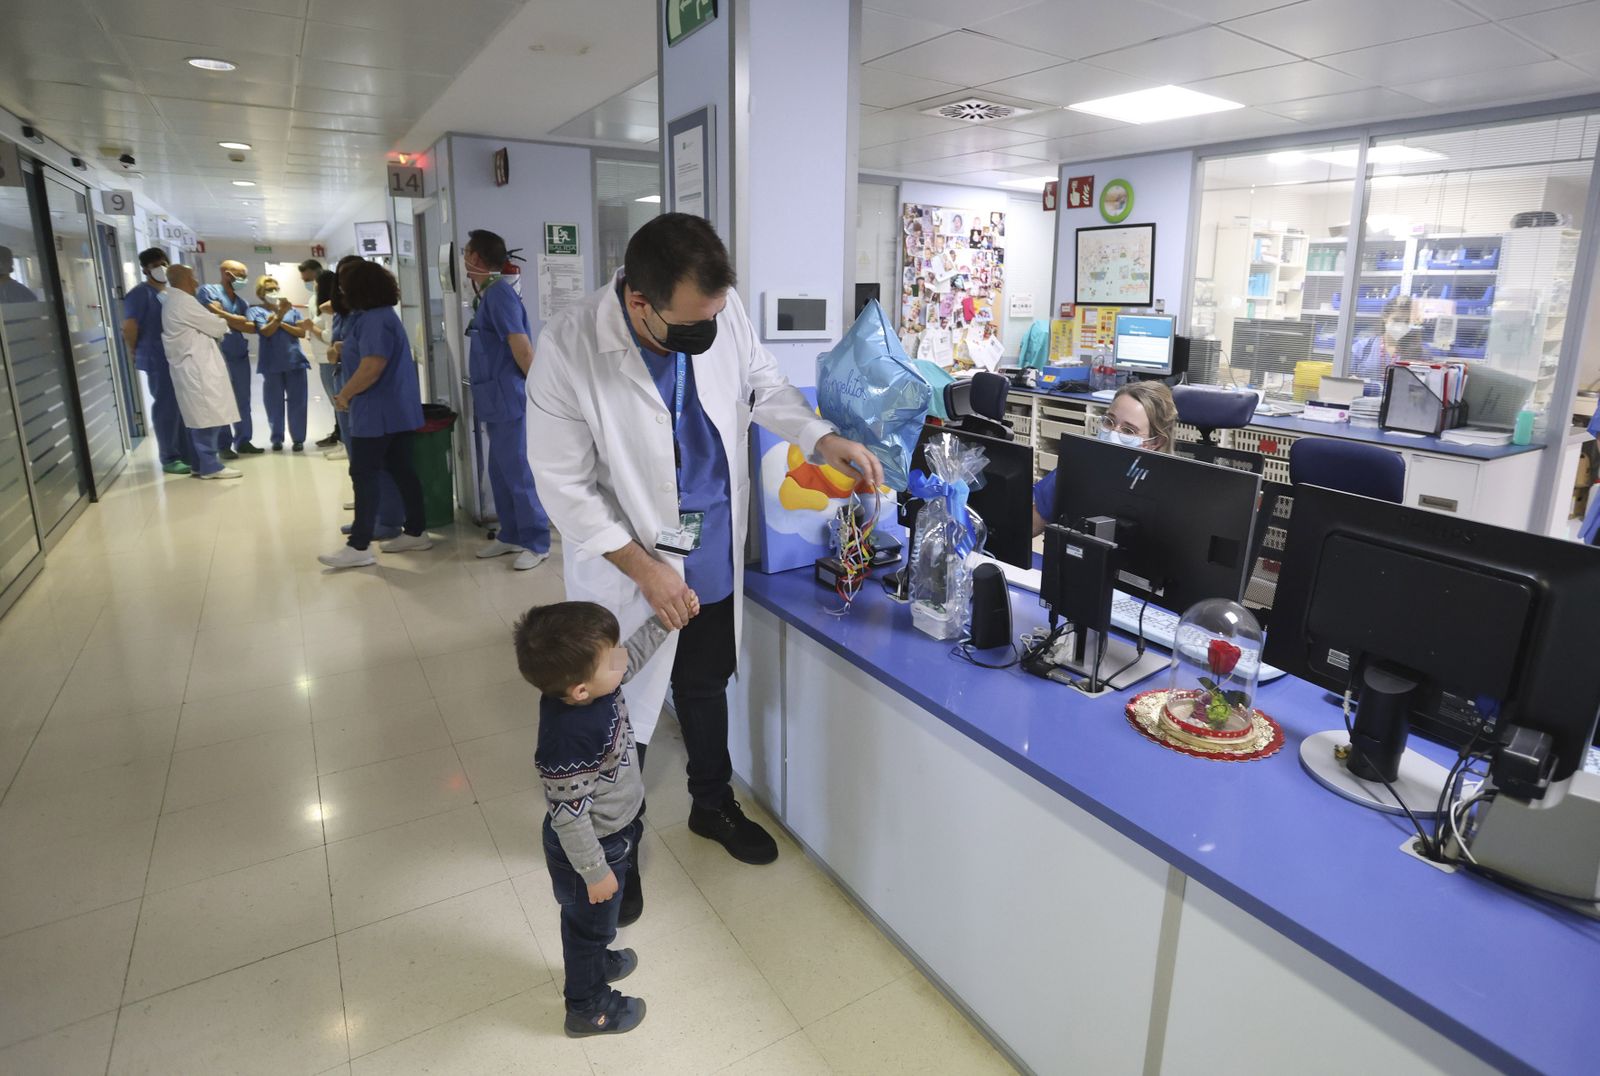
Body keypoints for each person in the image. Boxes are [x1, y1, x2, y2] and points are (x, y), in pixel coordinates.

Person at [527, 213, 883, 919]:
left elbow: (763, 384)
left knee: (705, 677)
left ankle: (711, 803)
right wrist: (644, 568)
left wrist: (820, 437)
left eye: (717, 314)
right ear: (638, 301)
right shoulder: (569, 347)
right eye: (692, 322)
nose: (709, 331)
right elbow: (562, 488)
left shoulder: (719, 306)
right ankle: (611, 845)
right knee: (614, 707)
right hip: (626, 555)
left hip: (712, 536)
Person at [515, 602, 689, 1037]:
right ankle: (586, 1006)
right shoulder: (569, 740)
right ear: (578, 691)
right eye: (610, 656)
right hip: (590, 849)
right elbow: (569, 819)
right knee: (585, 929)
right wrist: (594, 872)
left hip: (615, 831)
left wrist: (665, 622)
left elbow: (628, 659)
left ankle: (598, 957)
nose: (620, 659)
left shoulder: (595, 686)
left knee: (598, 924)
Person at [319, 260, 429, 569]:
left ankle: (359, 546)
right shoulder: (379, 317)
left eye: (345, 286)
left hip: (377, 412)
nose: (340, 291)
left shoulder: (374, 321)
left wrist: (345, 394)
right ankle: (417, 531)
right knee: (402, 470)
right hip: (395, 410)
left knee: (364, 474)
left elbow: (372, 367)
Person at [463, 229, 551, 571]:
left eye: (467, 254)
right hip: (494, 399)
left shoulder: (499, 294)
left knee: (519, 473)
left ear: (475, 258)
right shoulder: (489, 294)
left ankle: (536, 540)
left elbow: (523, 348)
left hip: (510, 400)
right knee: (499, 473)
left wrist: (540, 393)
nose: (465, 261)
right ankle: (511, 534)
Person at [1031, 381, 1177, 536]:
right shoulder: (1078, 468)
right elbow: (1030, 525)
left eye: (1128, 430)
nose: (1113, 433)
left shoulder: (1167, 493)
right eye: (1109, 421)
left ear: (1155, 442)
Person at [160, 265, 242, 480]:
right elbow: (216, 326)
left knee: (200, 417)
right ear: (185, 279)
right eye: (193, 277)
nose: (196, 282)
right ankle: (210, 466)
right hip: (197, 369)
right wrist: (221, 319)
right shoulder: (183, 302)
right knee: (206, 417)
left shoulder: (174, 301)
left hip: (193, 366)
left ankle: (200, 464)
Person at [122, 247, 193, 475]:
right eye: (154, 266)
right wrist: (134, 350)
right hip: (157, 357)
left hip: (176, 357)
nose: (159, 268)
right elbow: (129, 326)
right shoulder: (140, 294)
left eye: (162, 263)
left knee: (181, 406)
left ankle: (185, 452)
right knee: (166, 407)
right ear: (144, 269)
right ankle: (169, 457)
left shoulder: (170, 293)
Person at [195, 260, 262, 459]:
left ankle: (243, 440)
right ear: (226, 273)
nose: (243, 280)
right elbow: (209, 319)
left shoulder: (241, 302)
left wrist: (221, 314)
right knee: (221, 399)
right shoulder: (207, 291)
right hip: (217, 354)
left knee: (243, 399)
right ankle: (223, 445)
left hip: (238, 355)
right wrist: (236, 321)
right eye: (240, 275)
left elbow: (250, 327)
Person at [249, 275, 311, 451]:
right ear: (261, 293)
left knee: (298, 402)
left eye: (276, 288)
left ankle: (298, 438)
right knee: (273, 403)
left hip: (295, 361)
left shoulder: (291, 311)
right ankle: (277, 438)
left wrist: (280, 322)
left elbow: (300, 333)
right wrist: (280, 316)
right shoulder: (256, 311)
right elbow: (266, 332)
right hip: (271, 364)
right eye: (269, 289)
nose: (274, 292)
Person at [301, 258, 342, 448]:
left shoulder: (329, 308)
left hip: (329, 359)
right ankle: (340, 435)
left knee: (338, 401)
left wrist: (311, 328)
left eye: (314, 282)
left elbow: (329, 336)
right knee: (336, 402)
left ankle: (343, 440)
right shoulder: (319, 304)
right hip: (324, 358)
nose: (312, 286)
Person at [1349, 295, 1423, 389]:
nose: (1401, 326)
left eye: (1407, 322)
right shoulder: (1362, 348)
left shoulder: (1418, 352)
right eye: (1396, 320)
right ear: (1385, 317)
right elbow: (1345, 380)